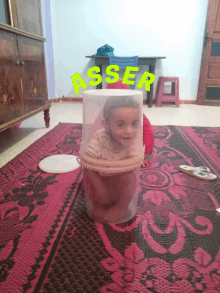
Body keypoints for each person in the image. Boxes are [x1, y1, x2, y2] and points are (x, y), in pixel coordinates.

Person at [85, 95, 143, 161]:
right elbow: (88, 159)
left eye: (134, 124)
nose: (129, 131)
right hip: (101, 170)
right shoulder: (100, 136)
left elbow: (132, 164)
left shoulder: (135, 138)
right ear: (106, 125)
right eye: (120, 125)